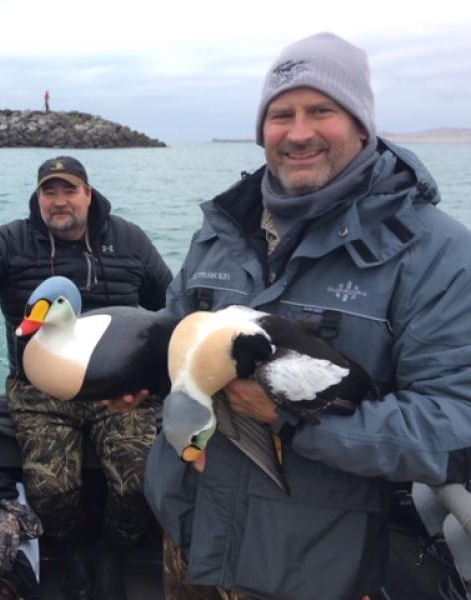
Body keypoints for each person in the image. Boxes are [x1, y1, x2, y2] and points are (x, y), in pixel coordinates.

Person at [135, 32, 471, 600]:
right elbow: (175, 335)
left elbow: (451, 429)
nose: (298, 132)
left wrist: (292, 421)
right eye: (280, 114)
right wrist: (137, 374)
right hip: (189, 537)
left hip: (311, 571)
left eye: (322, 111)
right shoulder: (220, 230)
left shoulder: (434, 253)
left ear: (362, 125)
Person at [0, 156, 172, 599]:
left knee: (138, 478)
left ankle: (114, 553)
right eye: (49, 192)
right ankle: (70, 552)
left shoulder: (128, 239)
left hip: (117, 392)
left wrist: (157, 378)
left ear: (89, 195)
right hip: (41, 392)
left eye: (69, 190)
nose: (59, 201)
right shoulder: (11, 241)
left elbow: (169, 305)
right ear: (38, 199)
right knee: (51, 487)